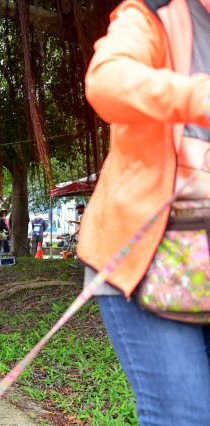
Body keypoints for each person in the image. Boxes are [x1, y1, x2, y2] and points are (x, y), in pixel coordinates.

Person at [78, 1, 210, 423]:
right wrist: (197, 95)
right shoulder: (154, 10)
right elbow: (106, 80)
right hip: (144, 264)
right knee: (184, 414)